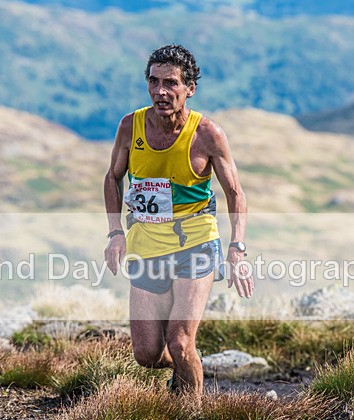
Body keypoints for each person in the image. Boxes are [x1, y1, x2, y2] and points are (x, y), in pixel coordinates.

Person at [103, 44, 253, 397]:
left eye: (170, 83)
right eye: (153, 82)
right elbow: (113, 177)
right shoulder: (131, 126)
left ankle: (191, 418)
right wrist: (115, 232)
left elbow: (235, 194)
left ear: (190, 88)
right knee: (147, 354)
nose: (161, 92)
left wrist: (237, 249)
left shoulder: (207, 134)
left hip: (195, 243)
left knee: (181, 341)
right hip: (147, 246)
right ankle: (189, 369)